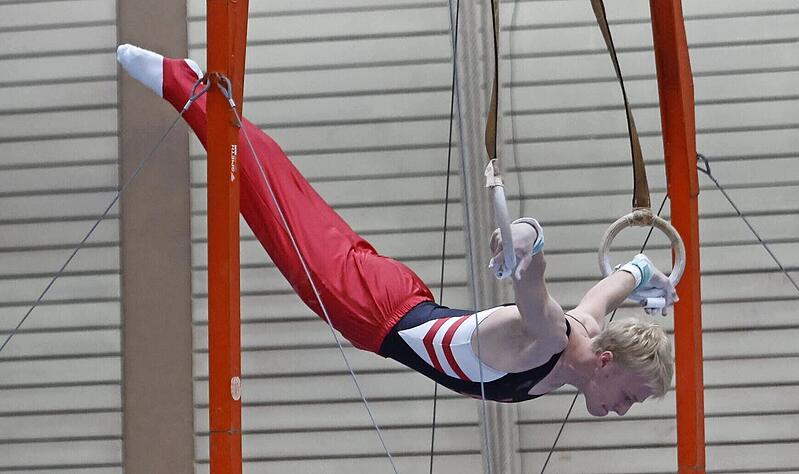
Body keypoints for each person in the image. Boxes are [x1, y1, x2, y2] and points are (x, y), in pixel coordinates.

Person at [117, 44, 676, 415]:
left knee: (289, 202)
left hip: (401, 300)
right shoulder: (554, 337)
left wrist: (646, 271)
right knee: (274, 206)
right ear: (605, 362)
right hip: (374, 312)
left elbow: (611, 288)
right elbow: (533, 289)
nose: (624, 410)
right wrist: (527, 240)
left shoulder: (591, 325)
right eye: (629, 395)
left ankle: (211, 101)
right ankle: (185, 85)